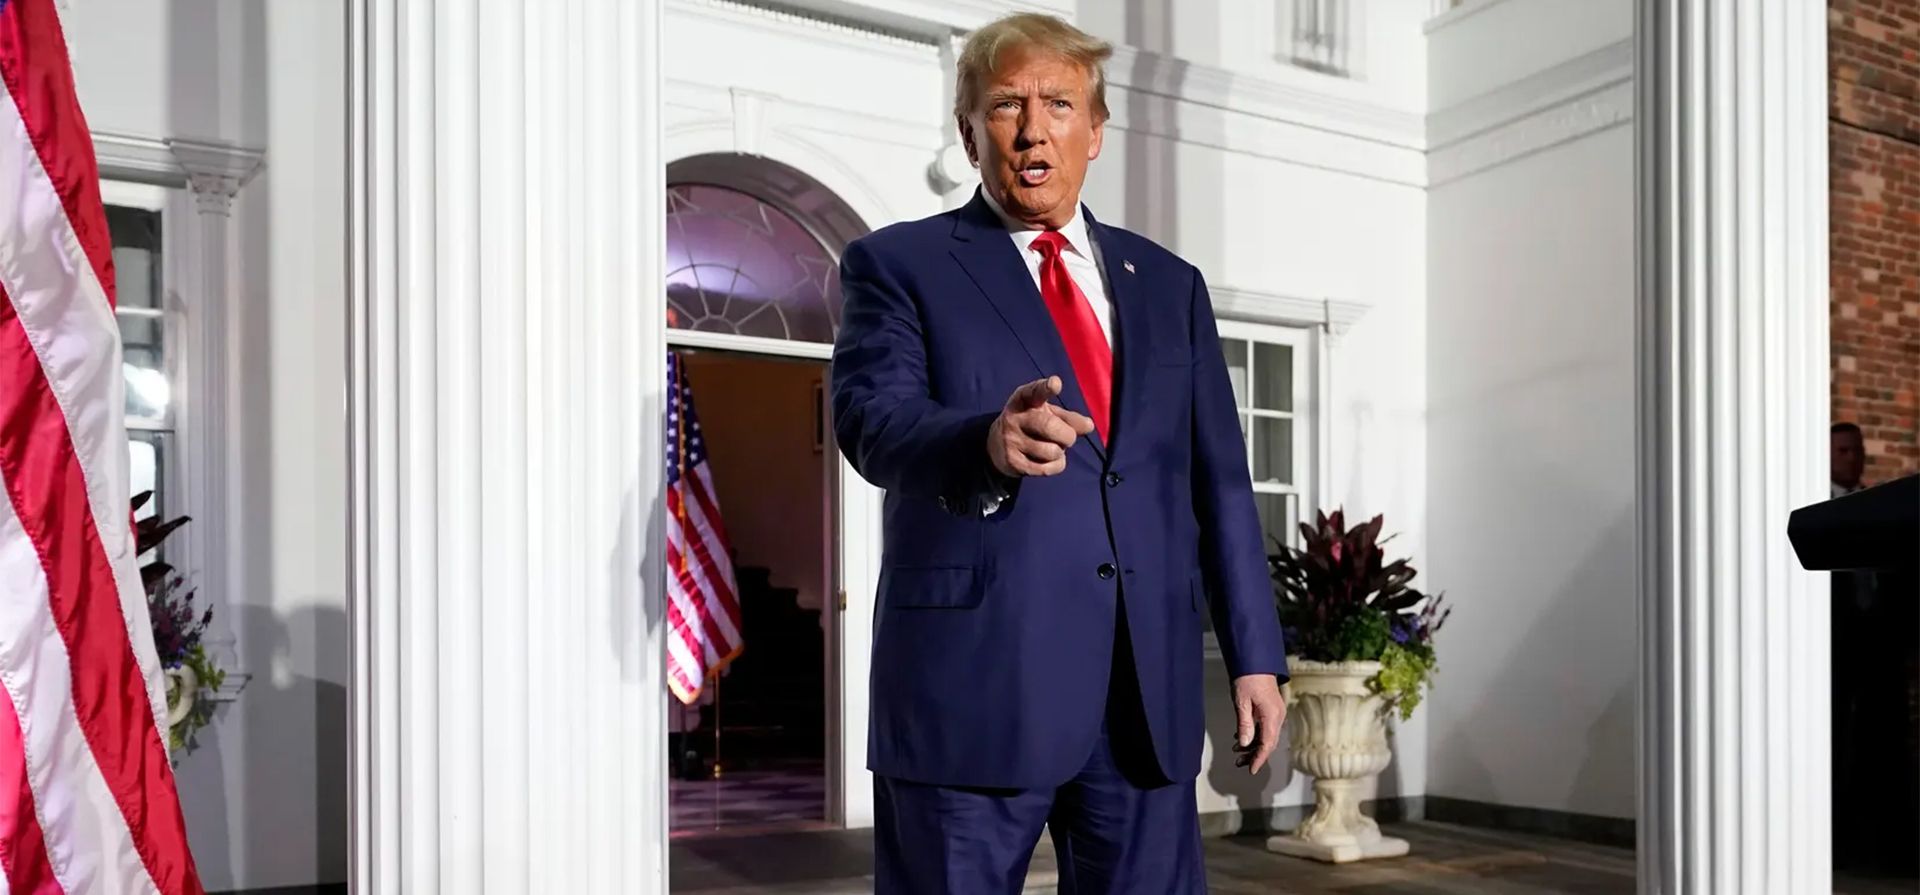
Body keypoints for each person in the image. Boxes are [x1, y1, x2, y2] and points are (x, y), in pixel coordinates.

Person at [829, 12, 1287, 892]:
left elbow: (1220, 486)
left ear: (1098, 131)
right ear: (969, 135)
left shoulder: (1170, 286)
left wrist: (1255, 655)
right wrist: (985, 441)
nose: (1034, 129)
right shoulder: (896, 264)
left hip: (1141, 697)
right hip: (972, 689)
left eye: (1060, 104)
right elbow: (872, 421)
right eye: (1005, 105)